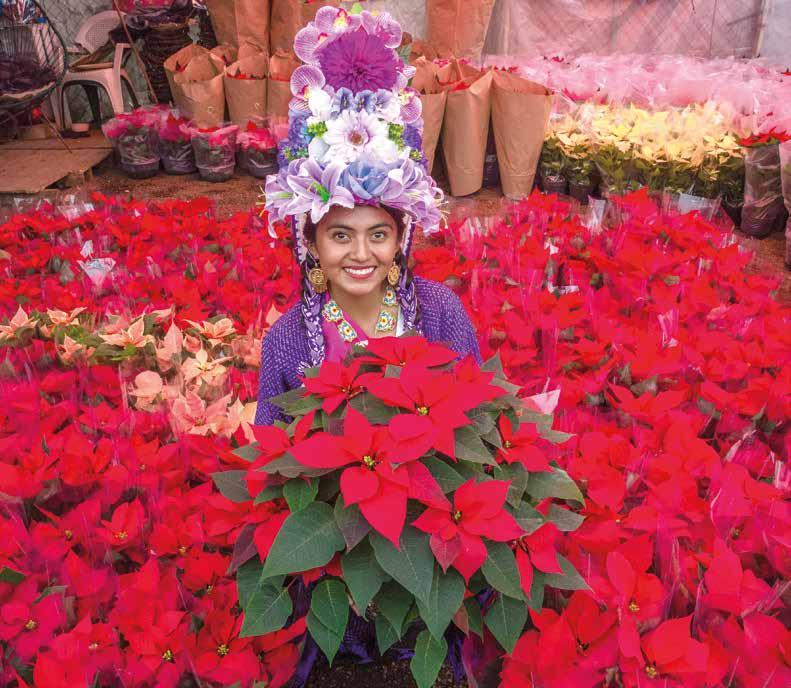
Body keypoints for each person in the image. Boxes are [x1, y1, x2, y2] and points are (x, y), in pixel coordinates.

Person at [254, 6, 480, 426]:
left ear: (400, 239)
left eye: (378, 235)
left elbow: (477, 418)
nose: (361, 254)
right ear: (310, 242)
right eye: (340, 235)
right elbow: (273, 450)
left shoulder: (440, 313)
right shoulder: (287, 341)